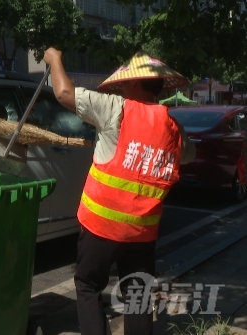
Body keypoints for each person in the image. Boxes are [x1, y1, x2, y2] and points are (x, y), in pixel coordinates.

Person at [43, 47, 196, 335]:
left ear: (137, 82)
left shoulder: (116, 108)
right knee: (137, 295)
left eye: (126, 81)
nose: (123, 86)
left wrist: (55, 59)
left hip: (101, 226)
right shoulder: (173, 126)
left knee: (88, 286)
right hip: (142, 232)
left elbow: (64, 93)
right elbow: (188, 155)